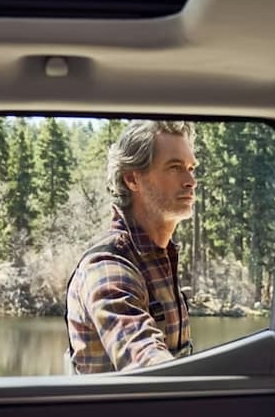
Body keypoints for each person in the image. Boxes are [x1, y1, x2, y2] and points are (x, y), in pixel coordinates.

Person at [65, 120, 197, 374]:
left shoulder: (160, 256)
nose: (190, 180)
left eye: (191, 168)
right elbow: (142, 356)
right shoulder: (108, 267)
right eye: (175, 168)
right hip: (117, 415)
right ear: (132, 179)